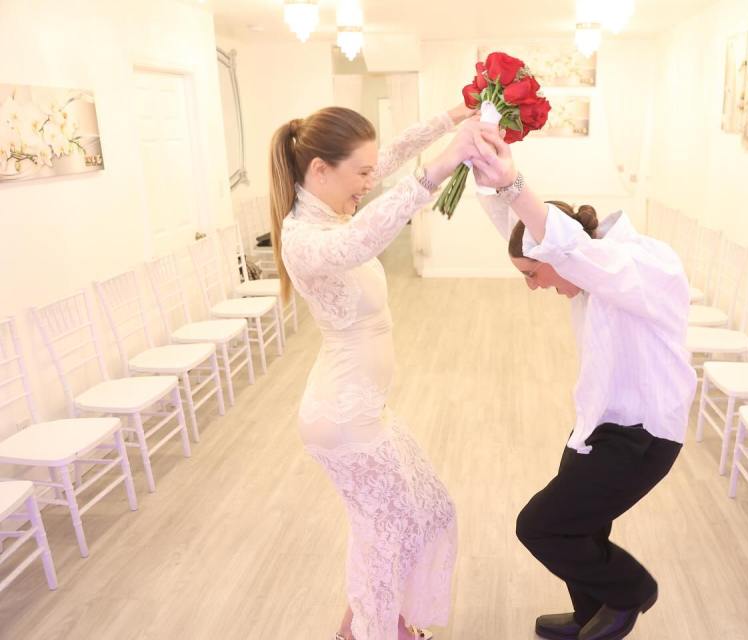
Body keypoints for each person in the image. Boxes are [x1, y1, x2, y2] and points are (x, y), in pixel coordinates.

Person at [470, 123, 697, 640]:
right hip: (600, 422)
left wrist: (513, 183)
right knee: (583, 521)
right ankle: (589, 613)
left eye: (534, 273)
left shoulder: (638, 266)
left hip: (644, 436)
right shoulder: (588, 263)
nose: (535, 286)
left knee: (541, 525)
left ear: (557, 254)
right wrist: (483, 165)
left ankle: (630, 591)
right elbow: (529, 231)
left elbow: (561, 246)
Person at [268, 103, 477, 640]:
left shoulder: (330, 199)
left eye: (369, 171)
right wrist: (441, 166)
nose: (370, 179)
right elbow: (361, 240)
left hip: (364, 406)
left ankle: (362, 627)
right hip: (341, 416)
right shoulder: (303, 237)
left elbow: (389, 154)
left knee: (420, 512)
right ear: (320, 170)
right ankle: (380, 632)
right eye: (361, 173)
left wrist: (457, 112)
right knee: (390, 529)